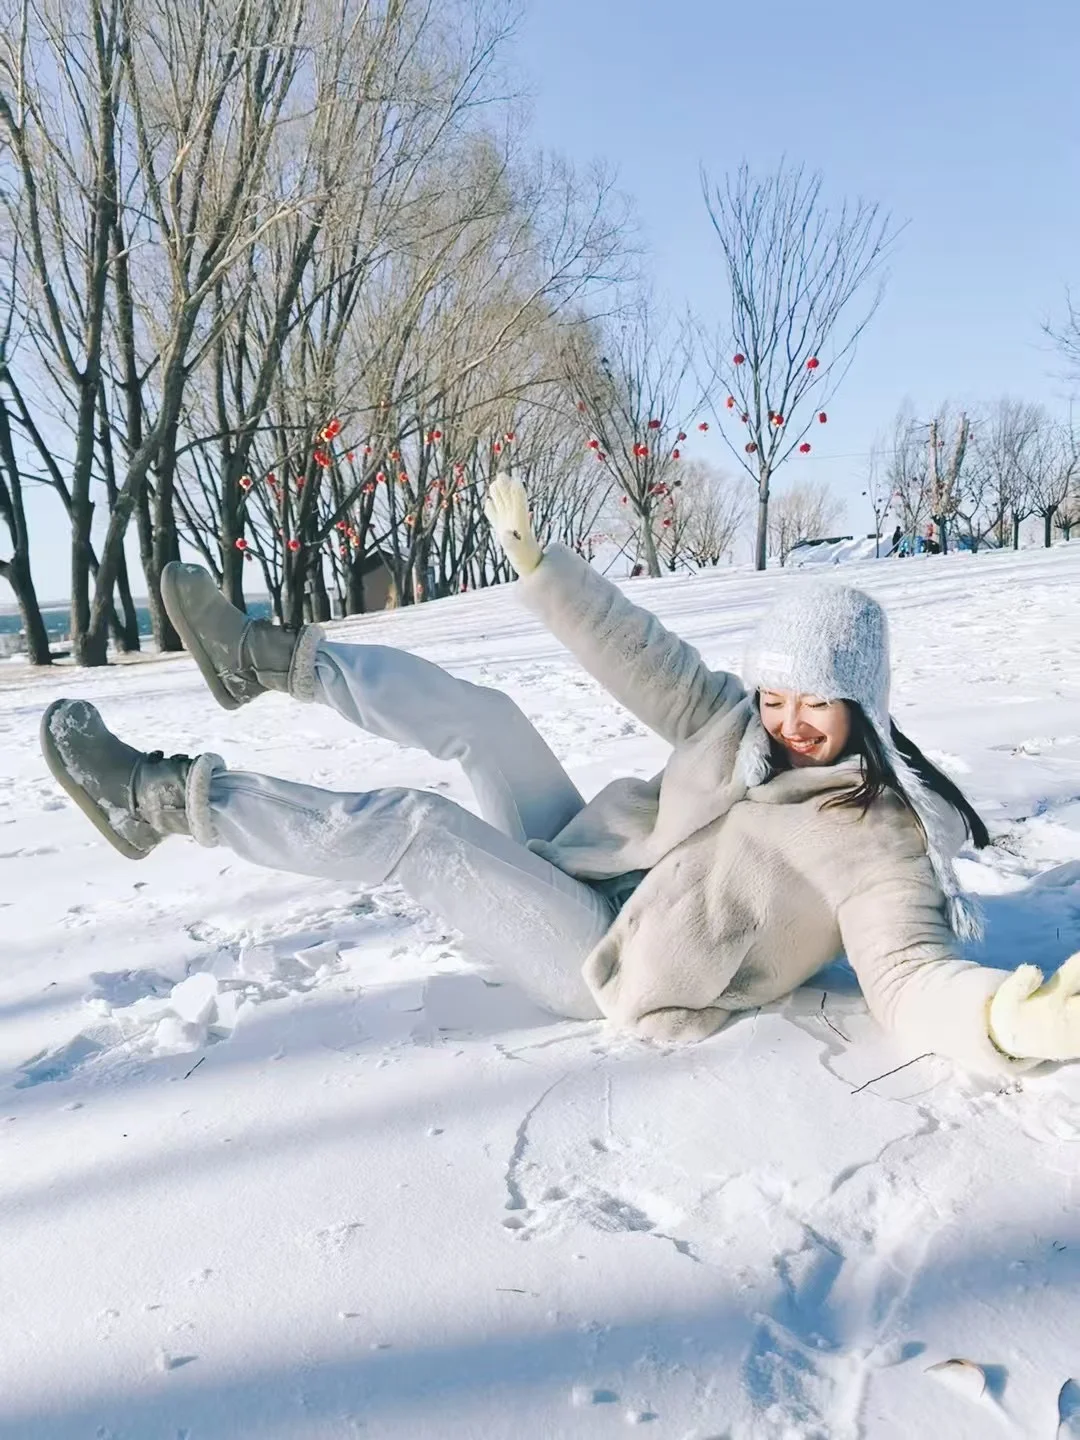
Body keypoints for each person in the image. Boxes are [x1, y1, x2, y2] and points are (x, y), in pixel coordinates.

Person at [40, 476, 1080, 1077]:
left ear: (863, 702)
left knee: (421, 830)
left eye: (817, 703)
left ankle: (160, 801)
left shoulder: (875, 842)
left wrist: (1001, 1020)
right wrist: (542, 570)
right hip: (593, 868)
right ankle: (265, 661)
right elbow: (642, 653)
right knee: (487, 723)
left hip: (613, 963)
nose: (791, 722)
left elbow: (908, 978)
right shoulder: (738, 722)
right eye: (778, 695)